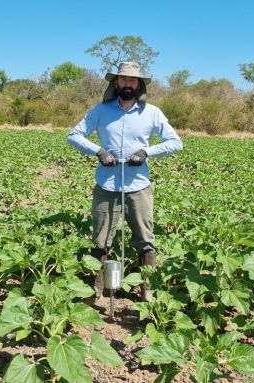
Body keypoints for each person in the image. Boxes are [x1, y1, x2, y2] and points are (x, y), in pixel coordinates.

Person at [67, 61, 183, 301]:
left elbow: (175, 142)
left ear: (139, 84)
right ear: (116, 83)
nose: (128, 83)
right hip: (106, 186)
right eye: (123, 79)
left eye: (133, 80)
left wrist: (146, 152)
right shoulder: (100, 111)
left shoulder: (152, 113)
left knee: (145, 239)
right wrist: (99, 151)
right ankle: (95, 290)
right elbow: (74, 135)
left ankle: (147, 290)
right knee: (100, 240)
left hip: (138, 186)